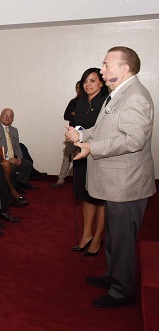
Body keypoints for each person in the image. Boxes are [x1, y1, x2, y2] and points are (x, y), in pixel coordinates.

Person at [66, 46, 155, 308]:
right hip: (116, 182)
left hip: (127, 183)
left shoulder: (135, 96)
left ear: (124, 68)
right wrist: (81, 136)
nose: (102, 70)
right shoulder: (117, 94)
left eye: (106, 65)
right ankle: (113, 276)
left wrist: (92, 148)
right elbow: (103, 129)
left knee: (123, 239)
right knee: (115, 236)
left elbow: (133, 140)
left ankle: (122, 292)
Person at [70, 68, 109, 256]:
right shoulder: (81, 102)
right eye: (85, 81)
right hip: (81, 154)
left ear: (101, 83)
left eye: (92, 81)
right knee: (86, 196)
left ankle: (98, 238)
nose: (88, 84)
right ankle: (87, 234)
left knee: (100, 199)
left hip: (98, 154)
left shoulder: (106, 102)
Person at [0, 108, 37, 192]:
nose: (7, 118)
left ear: (12, 119)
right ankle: (12, 189)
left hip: (13, 157)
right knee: (11, 167)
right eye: (5, 115)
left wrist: (19, 158)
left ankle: (19, 183)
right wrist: (8, 159)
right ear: (0, 117)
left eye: (10, 116)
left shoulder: (14, 130)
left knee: (27, 164)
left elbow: (17, 146)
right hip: (2, 160)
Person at [51, 81, 81, 189]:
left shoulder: (89, 102)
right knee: (67, 156)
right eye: (77, 87)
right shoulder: (73, 102)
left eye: (80, 87)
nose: (78, 89)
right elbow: (66, 115)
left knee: (82, 159)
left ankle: (80, 183)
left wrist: (75, 114)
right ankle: (61, 179)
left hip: (85, 135)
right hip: (72, 134)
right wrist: (77, 114)